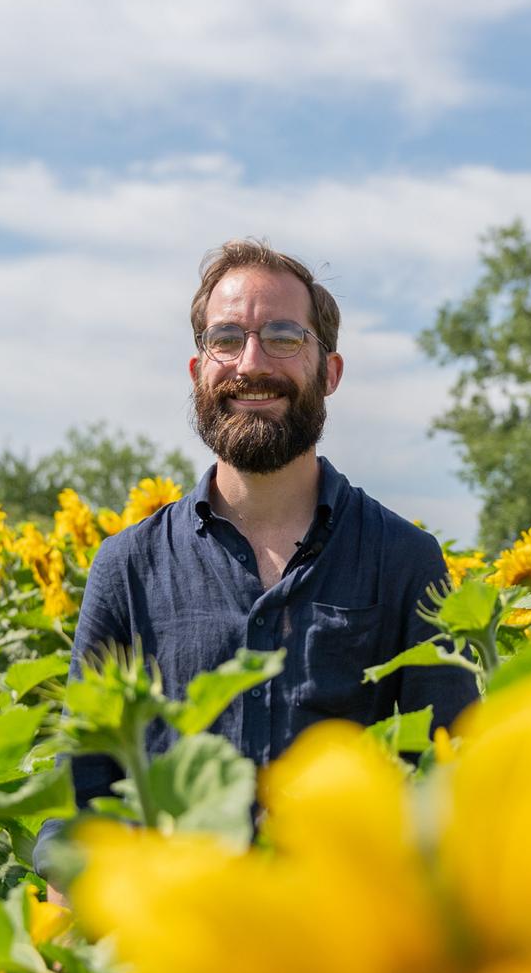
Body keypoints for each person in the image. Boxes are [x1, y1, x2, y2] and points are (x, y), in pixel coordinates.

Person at [34, 239, 478, 882]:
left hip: (343, 944)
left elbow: (449, 782)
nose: (251, 363)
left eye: (283, 337)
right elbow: (78, 804)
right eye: (227, 338)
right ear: (197, 371)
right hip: (174, 947)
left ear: (330, 373)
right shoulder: (128, 568)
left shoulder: (404, 561)